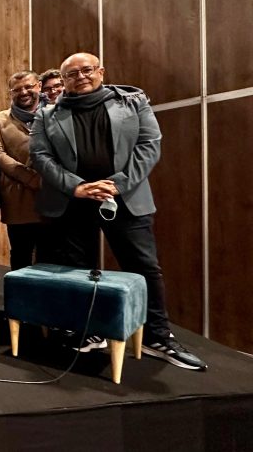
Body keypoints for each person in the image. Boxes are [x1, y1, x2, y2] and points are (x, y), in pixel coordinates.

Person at [30, 52, 207, 370]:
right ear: (63, 80)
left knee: (143, 268)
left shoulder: (132, 101)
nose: (80, 77)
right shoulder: (47, 115)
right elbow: (41, 156)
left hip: (126, 199)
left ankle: (157, 336)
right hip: (73, 202)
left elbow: (149, 144)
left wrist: (116, 184)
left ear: (101, 71)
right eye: (72, 74)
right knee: (77, 270)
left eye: (87, 70)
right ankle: (87, 330)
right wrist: (78, 187)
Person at [0, 71, 49, 271]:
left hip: (53, 197)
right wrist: (32, 179)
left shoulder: (56, 114)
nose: (23, 92)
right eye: (17, 89)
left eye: (28, 87)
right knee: (21, 255)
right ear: (10, 93)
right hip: (18, 199)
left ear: (39, 86)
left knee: (51, 257)